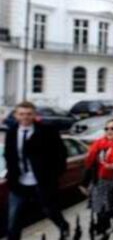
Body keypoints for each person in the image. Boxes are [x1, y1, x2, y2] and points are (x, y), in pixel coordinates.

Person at [3, 101, 70, 240]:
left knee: (50, 210)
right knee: (13, 218)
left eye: (29, 114)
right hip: (19, 181)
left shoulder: (47, 131)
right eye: (21, 114)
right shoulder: (11, 132)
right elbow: (9, 155)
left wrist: (54, 174)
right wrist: (10, 173)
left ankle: (63, 226)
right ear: (16, 115)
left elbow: (61, 154)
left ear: (34, 115)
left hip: (42, 181)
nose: (25, 117)